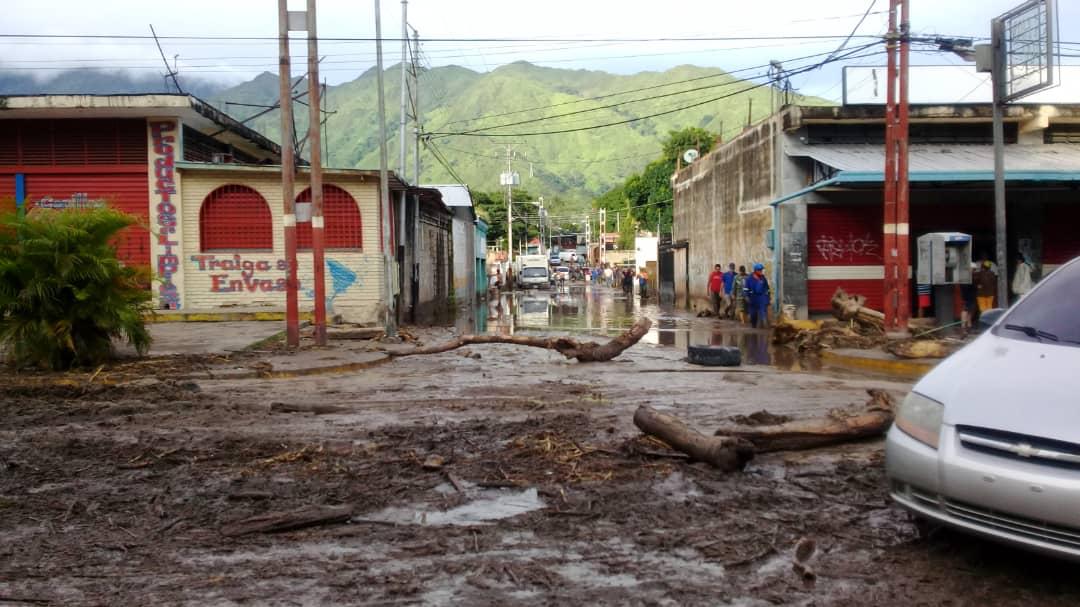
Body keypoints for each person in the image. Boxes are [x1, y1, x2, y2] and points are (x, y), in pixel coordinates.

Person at [744, 262, 770, 328]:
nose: (761, 271)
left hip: (762, 297)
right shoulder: (749, 279)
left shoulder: (763, 278)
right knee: (753, 315)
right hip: (753, 298)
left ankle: (765, 328)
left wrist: (768, 298)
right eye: (760, 270)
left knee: (763, 313)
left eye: (761, 270)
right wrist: (746, 296)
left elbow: (767, 288)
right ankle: (754, 326)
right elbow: (746, 289)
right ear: (755, 270)